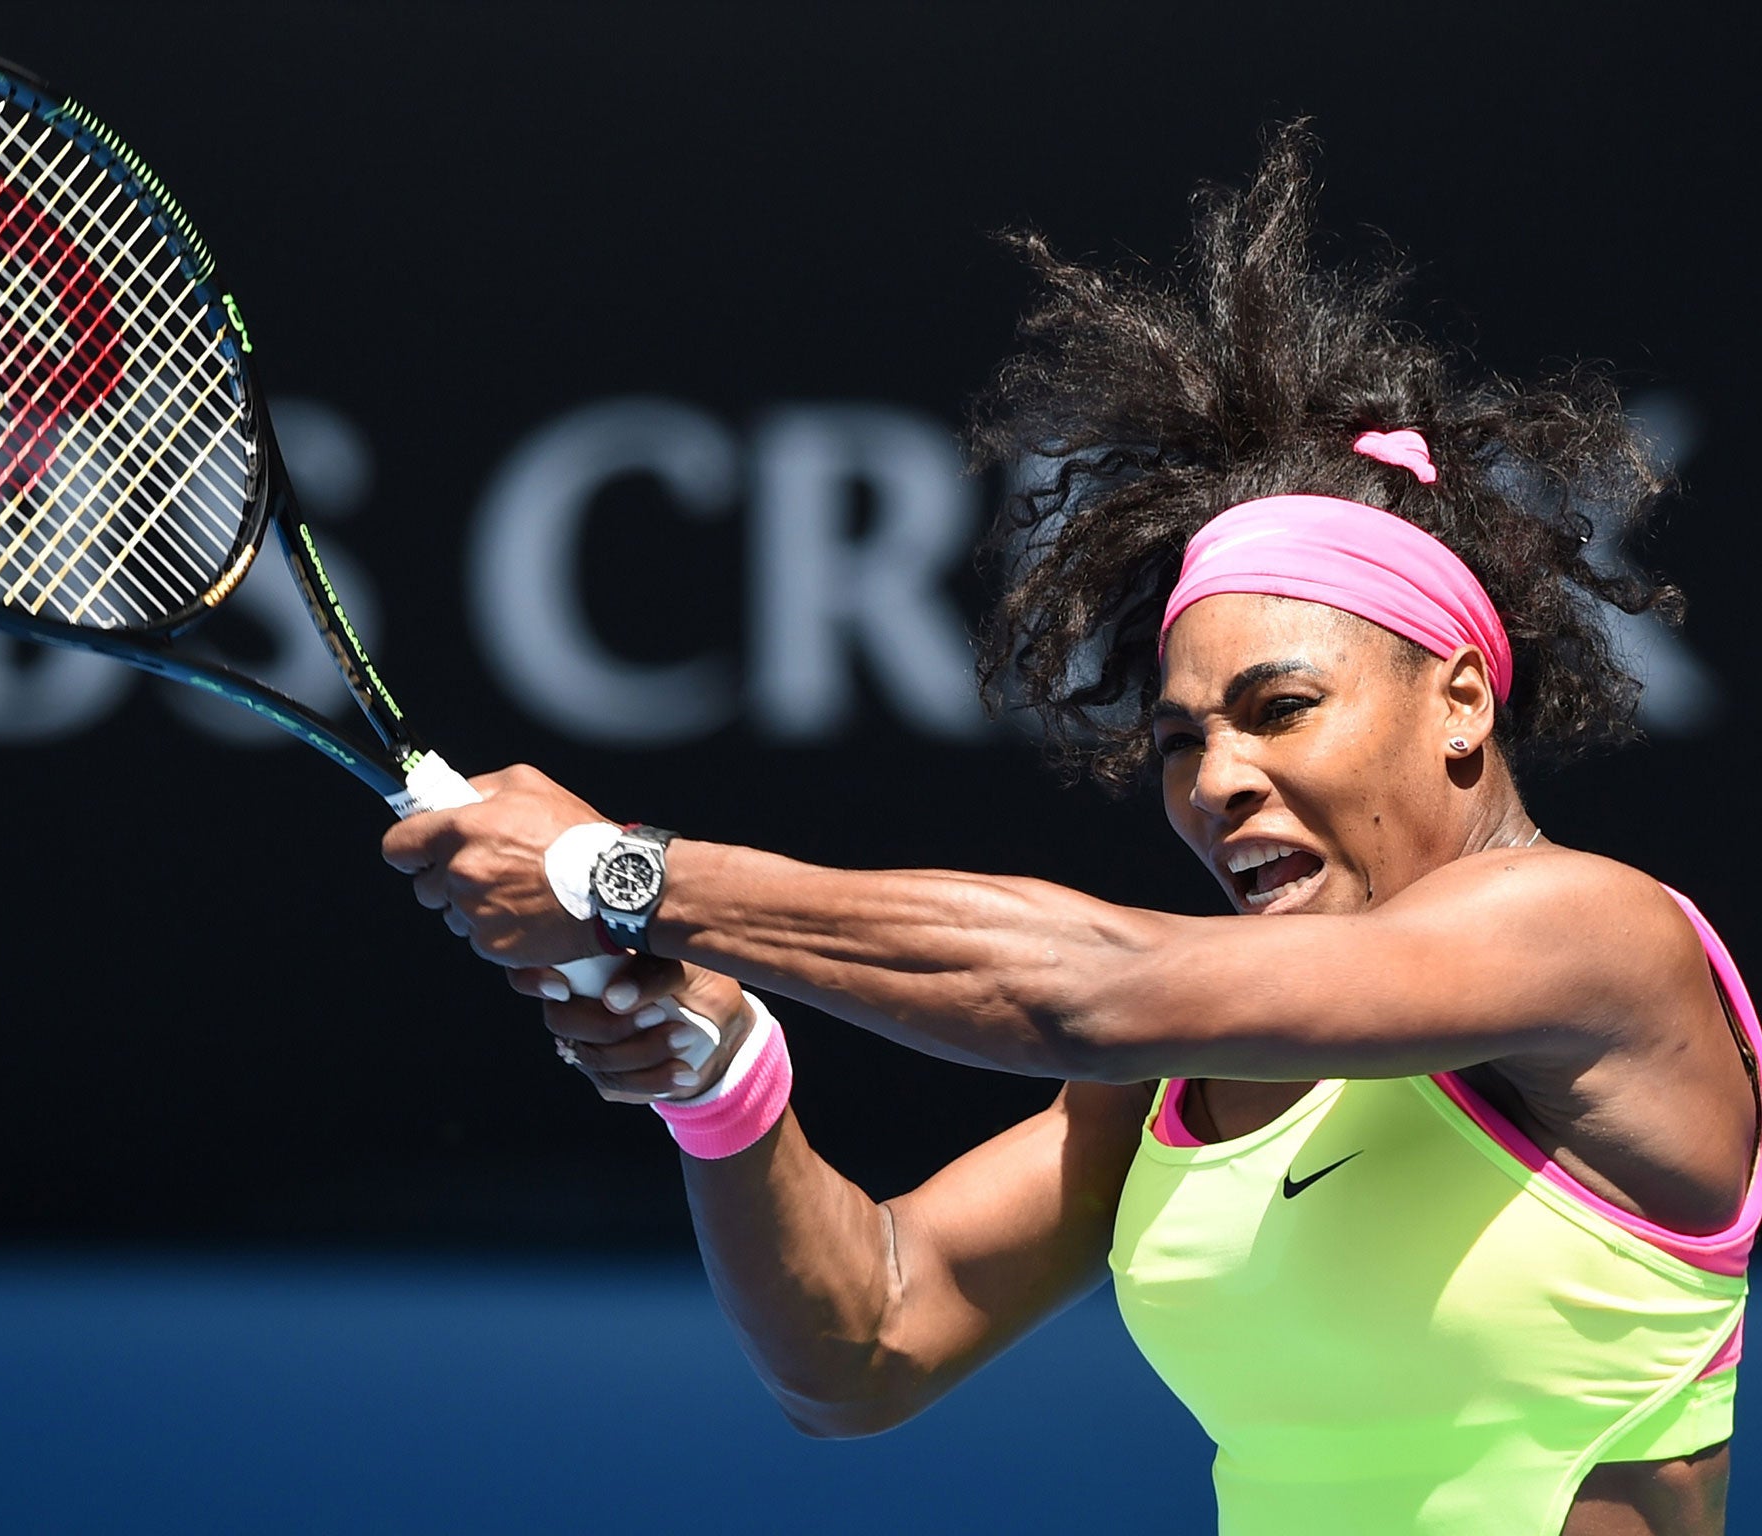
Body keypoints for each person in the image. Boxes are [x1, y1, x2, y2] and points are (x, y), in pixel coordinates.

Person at [381, 125, 1757, 1535]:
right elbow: (863, 1355)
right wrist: (721, 1083)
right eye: (1179, 740)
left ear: (1458, 701)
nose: (1215, 777)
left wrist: (615, 875)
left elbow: (1085, 991)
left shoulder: (1586, 937)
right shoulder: (1181, 1080)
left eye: (1278, 709)